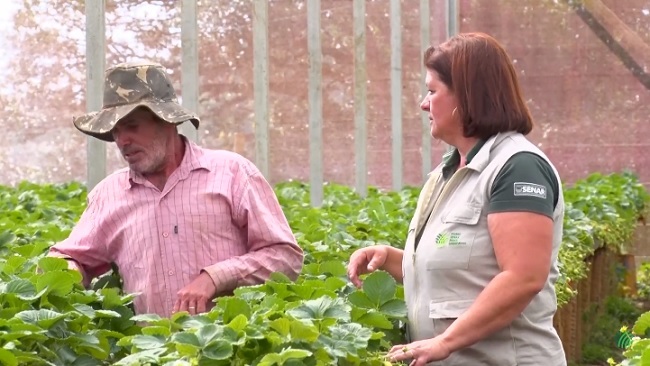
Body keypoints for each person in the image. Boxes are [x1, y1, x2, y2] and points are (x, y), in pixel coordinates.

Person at [347, 32, 566, 365]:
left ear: (467, 96)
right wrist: (392, 258)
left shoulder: (517, 168)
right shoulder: (447, 172)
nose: (424, 103)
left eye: (432, 91)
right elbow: (461, 271)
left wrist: (444, 342)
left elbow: (523, 277)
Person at [49, 61, 303, 317]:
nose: (122, 141)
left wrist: (217, 277)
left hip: (231, 349)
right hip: (153, 351)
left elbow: (285, 258)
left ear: (166, 121)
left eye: (133, 126)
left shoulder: (232, 174)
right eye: (115, 131)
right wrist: (66, 269)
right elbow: (69, 257)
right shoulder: (109, 194)